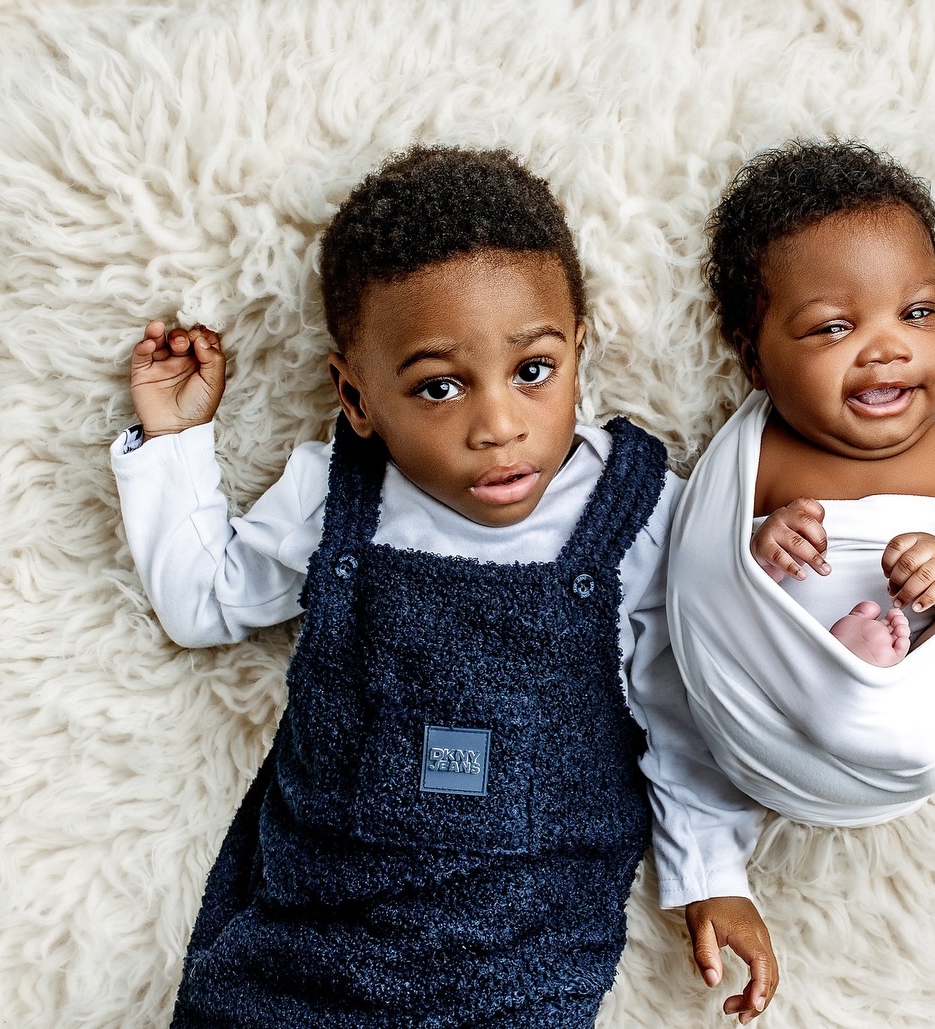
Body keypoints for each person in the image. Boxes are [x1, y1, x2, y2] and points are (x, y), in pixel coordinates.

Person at [111, 146, 777, 1026]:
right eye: (438, 387)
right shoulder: (336, 495)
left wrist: (712, 876)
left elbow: (682, 702)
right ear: (356, 398)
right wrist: (173, 442)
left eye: (534, 370)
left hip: (526, 944)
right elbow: (206, 602)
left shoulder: (638, 508)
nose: (498, 425)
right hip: (322, 930)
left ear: (580, 350)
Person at [667, 139, 935, 828]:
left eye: (918, 313)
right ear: (754, 359)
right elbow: (710, 580)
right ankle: (840, 672)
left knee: (912, 683)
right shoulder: (759, 454)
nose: (886, 347)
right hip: (789, 704)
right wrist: (765, 548)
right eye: (835, 326)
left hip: (926, 702)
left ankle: (866, 682)